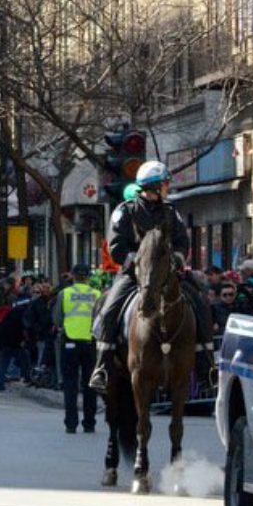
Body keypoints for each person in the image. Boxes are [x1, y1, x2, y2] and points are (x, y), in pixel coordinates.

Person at [90, 160, 206, 392]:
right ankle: (102, 367)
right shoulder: (125, 210)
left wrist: (178, 259)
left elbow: (183, 241)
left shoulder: (171, 211)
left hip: (168, 272)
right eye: (164, 184)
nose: (167, 188)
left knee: (200, 302)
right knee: (110, 308)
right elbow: (115, 245)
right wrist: (136, 261)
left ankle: (206, 365)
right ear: (152, 186)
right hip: (134, 274)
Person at [54, 264, 99, 434]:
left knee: (70, 384)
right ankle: (89, 423)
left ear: (72, 276)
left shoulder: (64, 294)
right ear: (88, 277)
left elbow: (57, 319)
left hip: (70, 342)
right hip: (90, 343)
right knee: (90, 385)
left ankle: (71, 424)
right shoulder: (97, 295)